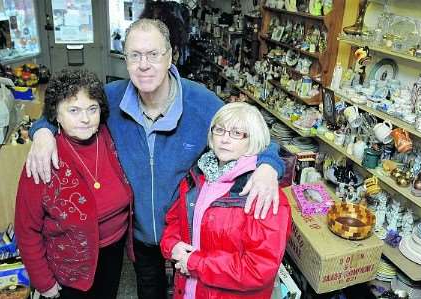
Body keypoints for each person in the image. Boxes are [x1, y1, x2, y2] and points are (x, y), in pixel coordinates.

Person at [26, 19, 284, 299]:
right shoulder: (110, 99)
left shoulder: (202, 102)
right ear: (124, 60)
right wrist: (42, 132)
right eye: (134, 55)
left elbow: (253, 133)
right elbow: (68, 111)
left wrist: (269, 165)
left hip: (190, 234)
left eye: (153, 54)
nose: (144, 64)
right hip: (142, 238)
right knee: (151, 291)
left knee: (194, 289)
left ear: (170, 55)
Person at [15, 69, 133, 299]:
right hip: (69, 269)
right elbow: (26, 229)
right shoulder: (43, 158)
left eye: (92, 109)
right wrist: (43, 282)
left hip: (113, 253)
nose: (85, 118)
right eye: (73, 110)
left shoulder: (109, 137)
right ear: (55, 115)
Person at [161, 102, 291, 299]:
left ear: (253, 139)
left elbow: (259, 269)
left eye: (237, 133)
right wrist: (171, 245)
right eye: (219, 130)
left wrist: (195, 263)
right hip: (189, 289)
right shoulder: (198, 175)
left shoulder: (263, 193)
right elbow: (175, 220)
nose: (224, 139)